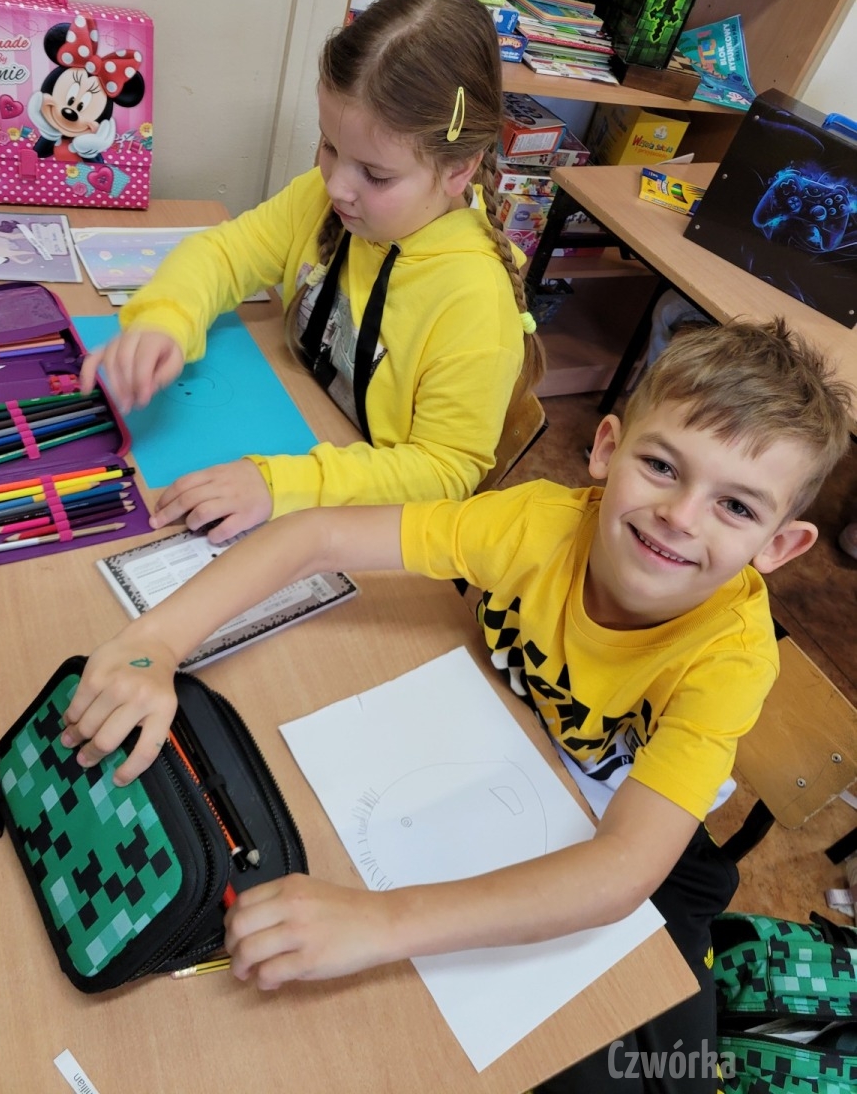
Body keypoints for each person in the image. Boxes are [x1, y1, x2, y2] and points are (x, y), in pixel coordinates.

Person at [61, 318, 853, 1092]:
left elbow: (622, 872)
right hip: (493, 744)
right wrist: (154, 644)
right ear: (608, 449)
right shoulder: (537, 524)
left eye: (737, 507)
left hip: (638, 835)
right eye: (662, 466)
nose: (680, 516)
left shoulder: (730, 658)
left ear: (779, 546)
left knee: (640, 1060)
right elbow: (315, 538)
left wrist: (382, 922)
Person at [79, 0, 544, 544]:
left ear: (459, 168)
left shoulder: (474, 301)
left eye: (375, 174)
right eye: (328, 146)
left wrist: (282, 485)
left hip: (359, 521)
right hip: (294, 425)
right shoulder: (327, 201)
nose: (337, 185)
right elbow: (224, 254)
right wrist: (166, 320)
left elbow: (443, 472)